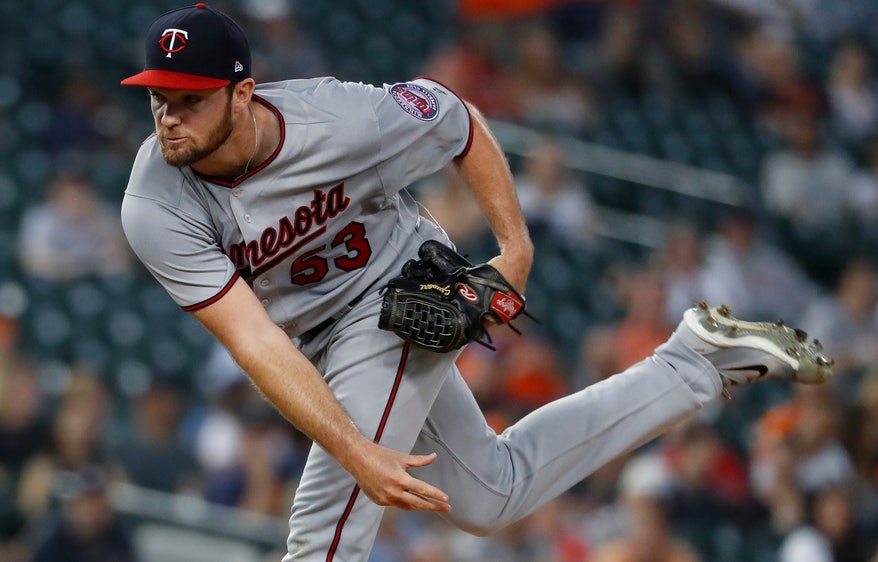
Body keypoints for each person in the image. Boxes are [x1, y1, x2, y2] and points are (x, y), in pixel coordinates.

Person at [118, 5, 833, 561]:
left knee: (322, 527)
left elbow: (457, 120)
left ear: (243, 93)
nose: (169, 116)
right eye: (159, 97)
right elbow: (252, 339)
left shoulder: (340, 119)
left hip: (400, 295)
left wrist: (514, 248)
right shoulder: (155, 203)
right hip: (309, 336)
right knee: (490, 494)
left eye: (190, 99)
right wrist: (352, 442)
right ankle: (694, 365)